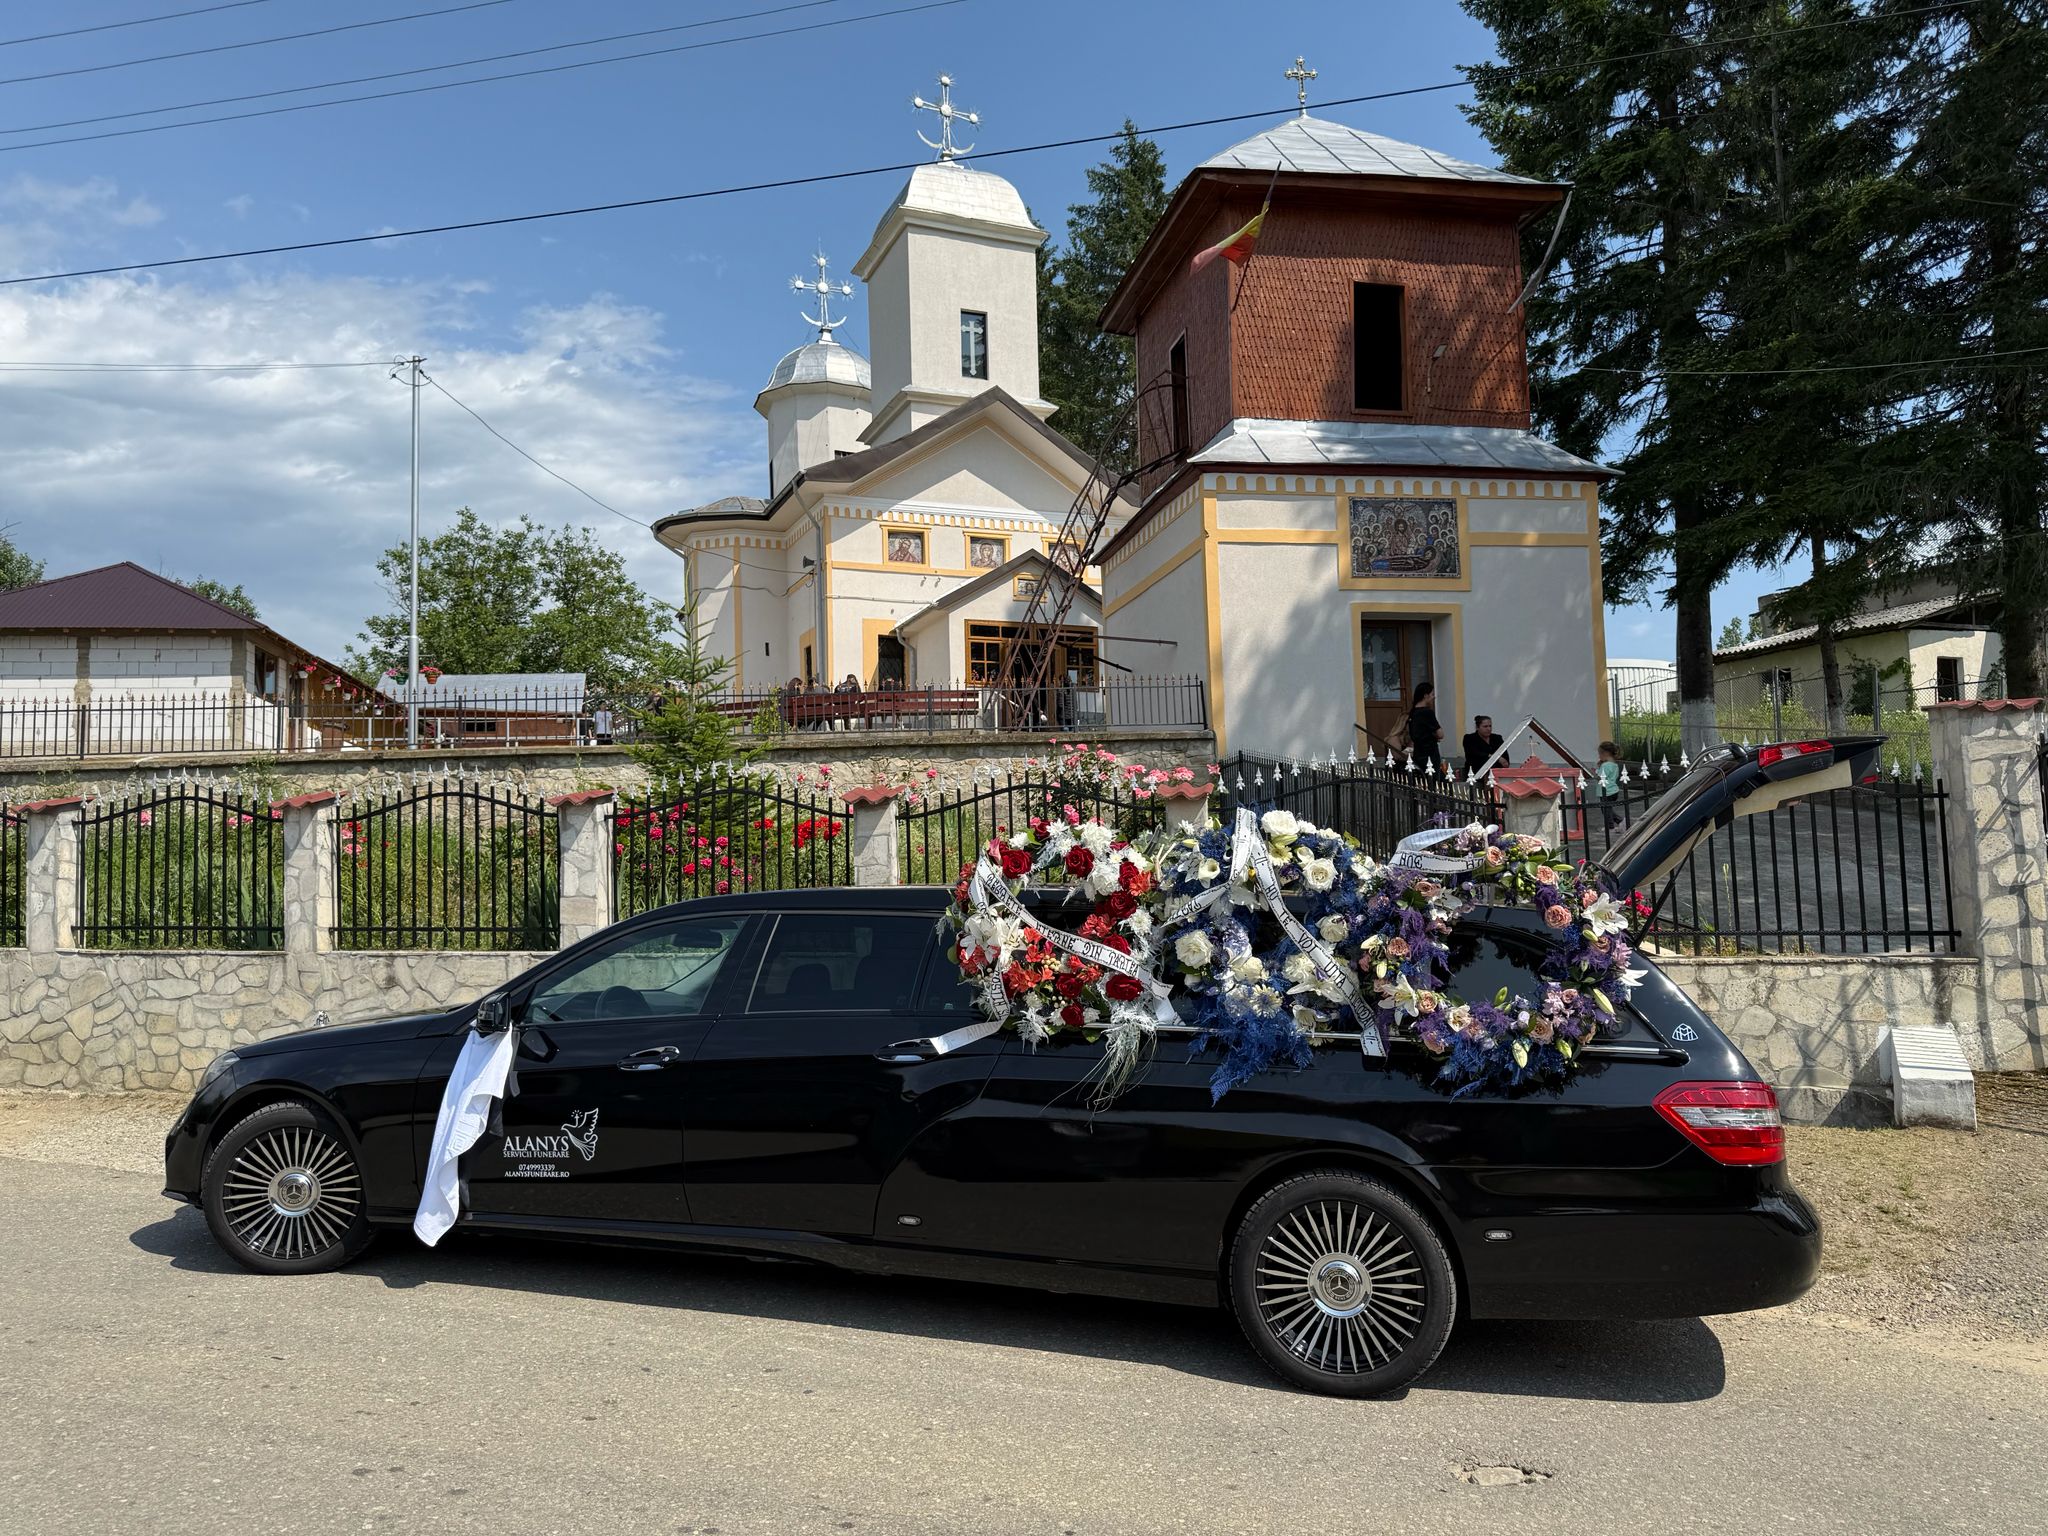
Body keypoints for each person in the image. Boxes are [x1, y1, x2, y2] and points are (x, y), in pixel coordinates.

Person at [1405, 680, 1444, 772]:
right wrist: (1434, 735)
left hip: (1418, 753)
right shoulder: (1427, 712)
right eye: (1432, 694)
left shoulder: (1413, 712)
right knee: (1433, 777)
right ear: (1425, 696)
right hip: (1430, 753)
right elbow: (1440, 734)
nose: (1434, 697)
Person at [1596, 740, 1626, 835]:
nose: (1599, 756)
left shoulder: (1605, 765)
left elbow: (1600, 777)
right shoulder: (1614, 765)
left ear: (1606, 753)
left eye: (1600, 754)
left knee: (1606, 810)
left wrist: (1596, 771)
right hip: (1613, 790)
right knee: (1608, 809)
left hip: (1606, 791)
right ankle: (1620, 822)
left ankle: (1611, 826)